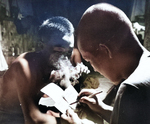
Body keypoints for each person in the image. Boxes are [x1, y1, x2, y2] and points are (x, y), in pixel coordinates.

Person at [61, 3, 150, 124]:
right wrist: (102, 109)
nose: (95, 69)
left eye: (90, 61)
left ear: (105, 50)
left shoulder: (132, 88)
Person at [0, 16, 75, 124]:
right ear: (41, 45)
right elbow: (33, 120)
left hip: (35, 111)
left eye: (69, 50)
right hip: (8, 117)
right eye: (59, 48)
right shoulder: (24, 65)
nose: (65, 56)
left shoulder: (59, 64)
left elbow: (73, 101)